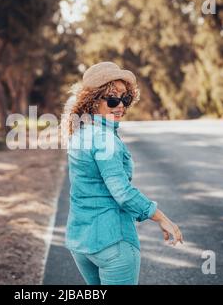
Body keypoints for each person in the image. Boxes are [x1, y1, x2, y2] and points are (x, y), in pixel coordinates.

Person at [63, 61, 183, 285]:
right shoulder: (104, 138)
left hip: (81, 243)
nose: (120, 106)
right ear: (93, 101)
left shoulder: (80, 132)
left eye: (125, 99)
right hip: (112, 243)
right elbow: (123, 193)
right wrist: (162, 218)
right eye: (112, 99)